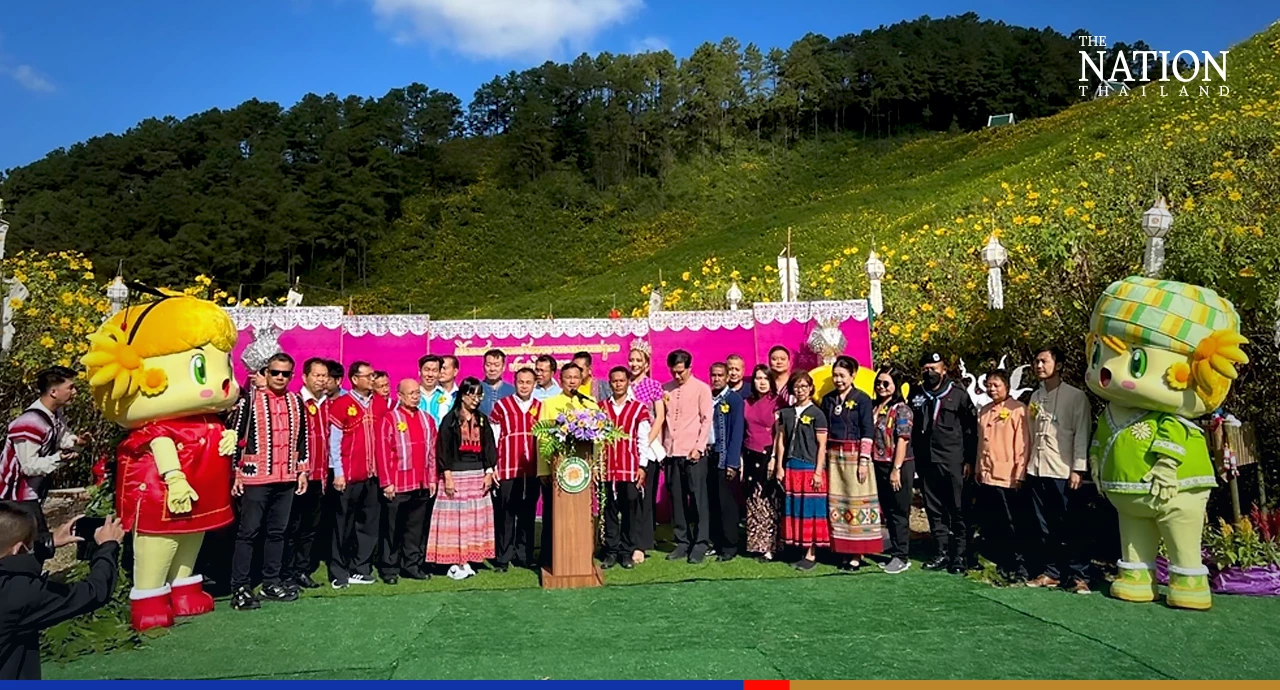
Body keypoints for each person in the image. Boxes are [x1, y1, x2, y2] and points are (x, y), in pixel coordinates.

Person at [0, 504, 126, 680]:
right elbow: (94, 591)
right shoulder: (18, 593)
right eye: (30, 545)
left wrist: (47, 543)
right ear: (18, 549)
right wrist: (108, 547)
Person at [230, 353, 310, 610]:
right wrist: (236, 473)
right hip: (255, 477)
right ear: (266, 372)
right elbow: (234, 438)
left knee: (278, 533)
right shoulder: (250, 402)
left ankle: (270, 582)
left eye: (285, 373)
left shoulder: (296, 401)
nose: (279, 377)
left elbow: (302, 439)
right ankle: (240, 587)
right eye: (275, 372)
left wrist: (302, 471)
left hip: (286, 477)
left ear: (292, 375)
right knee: (248, 533)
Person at [1024, 346, 1094, 594]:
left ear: (1059, 365)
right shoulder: (1035, 397)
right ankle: (1051, 572)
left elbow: (1082, 433)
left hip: (1063, 472)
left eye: (1044, 361)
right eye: (1036, 361)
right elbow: (1032, 433)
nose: (1039, 365)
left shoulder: (1076, 397)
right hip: (1037, 470)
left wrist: (1078, 469)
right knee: (1044, 526)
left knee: (1071, 526)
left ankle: (1079, 575)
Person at [910, 352, 978, 574]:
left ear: (944, 369)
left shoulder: (958, 394)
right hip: (927, 460)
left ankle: (960, 554)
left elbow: (970, 430)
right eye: (926, 368)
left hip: (953, 460)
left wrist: (970, 459)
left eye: (934, 367)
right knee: (933, 509)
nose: (929, 372)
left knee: (958, 508)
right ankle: (941, 551)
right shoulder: (917, 394)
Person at [427, 378, 497, 580]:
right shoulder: (450, 420)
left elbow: (490, 447)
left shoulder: (482, 420)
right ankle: (453, 563)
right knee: (454, 521)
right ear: (463, 395)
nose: (476, 399)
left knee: (472, 521)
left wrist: (489, 472)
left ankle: (467, 559)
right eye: (472, 394)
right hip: (456, 475)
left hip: (477, 475)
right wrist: (447, 475)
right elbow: (443, 449)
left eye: (479, 395)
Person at [1, 367, 85, 535]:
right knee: (38, 546)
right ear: (53, 392)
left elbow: (62, 438)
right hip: (14, 495)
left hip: (31, 493)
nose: (75, 392)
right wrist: (60, 458)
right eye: (70, 387)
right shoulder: (30, 423)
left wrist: (77, 442)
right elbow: (29, 466)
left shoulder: (55, 415)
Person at [820, 356, 880, 569]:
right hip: (834, 458)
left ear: (853, 375)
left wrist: (864, 460)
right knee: (838, 503)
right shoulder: (828, 400)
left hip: (856, 458)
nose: (838, 380)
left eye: (842, 376)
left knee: (856, 503)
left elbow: (868, 430)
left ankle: (858, 554)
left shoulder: (862, 399)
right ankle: (842, 551)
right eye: (835, 376)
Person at [536, 363, 598, 567]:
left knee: (582, 516)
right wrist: (543, 469)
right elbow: (542, 438)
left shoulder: (589, 404)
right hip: (557, 472)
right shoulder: (550, 403)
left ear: (581, 380)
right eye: (567, 377)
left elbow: (598, 438)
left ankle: (581, 558)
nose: (571, 381)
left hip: (583, 471)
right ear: (560, 380)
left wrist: (596, 465)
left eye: (575, 377)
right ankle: (549, 558)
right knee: (552, 516)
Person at [376, 379, 437, 584]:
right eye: (410, 393)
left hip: (420, 483)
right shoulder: (390, 419)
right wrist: (386, 482)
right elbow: (383, 452)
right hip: (397, 484)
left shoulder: (427, 420)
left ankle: (411, 565)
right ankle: (389, 568)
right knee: (392, 529)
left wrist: (432, 479)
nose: (415, 396)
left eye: (417, 392)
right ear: (399, 396)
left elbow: (433, 453)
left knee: (415, 529)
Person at [328, 361, 382, 589]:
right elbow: (335, 442)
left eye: (373, 375)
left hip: (373, 475)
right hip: (348, 475)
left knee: (368, 525)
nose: (372, 379)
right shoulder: (342, 404)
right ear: (354, 379)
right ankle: (339, 571)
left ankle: (361, 568)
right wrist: (338, 472)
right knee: (343, 525)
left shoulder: (380, 404)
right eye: (368, 376)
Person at [975, 369, 1030, 581]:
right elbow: (982, 442)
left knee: (1013, 523)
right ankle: (1000, 561)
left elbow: (1023, 443)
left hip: (1009, 475)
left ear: (1007, 386)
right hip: (988, 473)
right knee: (995, 521)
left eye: (996, 385)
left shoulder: (1018, 410)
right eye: (989, 385)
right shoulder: (985, 410)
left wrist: (1020, 472)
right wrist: (980, 468)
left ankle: (1019, 565)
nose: (992, 389)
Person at [662, 350, 714, 564]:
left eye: (681, 372)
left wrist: (699, 447)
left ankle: (701, 543)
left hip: (693, 452)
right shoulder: (665, 389)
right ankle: (682, 542)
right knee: (677, 499)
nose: (677, 376)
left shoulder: (702, 389)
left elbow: (706, 419)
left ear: (689, 368)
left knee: (698, 499)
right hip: (672, 452)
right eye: (674, 372)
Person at [284, 357, 331, 590]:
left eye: (325, 376)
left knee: (310, 529)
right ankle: (287, 573)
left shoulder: (326, 403)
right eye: (317, 375)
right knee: (292, 527)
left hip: (319, 476)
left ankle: (302, 570)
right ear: (304, 377)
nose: (322, 380)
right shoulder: (296, 401)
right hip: (298, 477)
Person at [600, 367, 654, 569]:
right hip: (607, 468)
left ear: (628, 382)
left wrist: (642, 466)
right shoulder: (601, 408)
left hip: (629, 467)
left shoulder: (638, 408)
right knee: (610, 511)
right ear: (610, 383)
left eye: (622, 381)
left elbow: (642, 439)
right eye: (614, 381)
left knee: (630, 511)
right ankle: (611, 551)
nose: (618, 384)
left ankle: (626, 551)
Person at [775, 371, 829, 571]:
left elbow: (821, 445)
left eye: (804, 386)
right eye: (797, 386)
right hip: (791, 465)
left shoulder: (817, 414)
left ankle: (811, 553)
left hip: (810, 467)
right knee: (795, 509)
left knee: (811, 511)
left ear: (811, 388)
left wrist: (818, 472)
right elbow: (780, 440)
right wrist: (780, 466)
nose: (801, 390)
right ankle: (798, 548)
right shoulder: (786, 413)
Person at [489, 368, 541, 572]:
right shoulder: (502, 406)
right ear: (515, 382)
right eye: (521, 382)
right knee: (505, 514)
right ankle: (503, 557)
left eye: (528, 382)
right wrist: (493, 466)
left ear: (534, 384)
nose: (525, 386)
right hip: (507, 468)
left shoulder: (540, 407)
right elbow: (493, 438)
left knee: (527, 513)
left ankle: (524, 555)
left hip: (532, 469)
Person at [871, 365, 914, 575]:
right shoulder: (875, 407)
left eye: (886, 383)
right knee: (887, 511)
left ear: (896, 385)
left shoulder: (902, 409)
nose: (881, 387)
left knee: (899, 510)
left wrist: (896, 469)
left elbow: (903, 440)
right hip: (878, 463)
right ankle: (894, 552)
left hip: (898, 464)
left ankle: (902, 556)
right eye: (878, 383)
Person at [626, 342, 665, 563]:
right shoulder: (624, 385)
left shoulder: (653, 386)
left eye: (639, 360)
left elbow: (659, 416)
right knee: (630, 496)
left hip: (648, 447)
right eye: (632, 360)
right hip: (626, 449)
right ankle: (629, 538)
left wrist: (647, 441)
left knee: (645, 496)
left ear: (647, 364)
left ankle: (643, 543)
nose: (634, 364)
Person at [743, 365, 783, 561]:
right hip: (750, 453)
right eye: (757, 378)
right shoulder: (747, 402)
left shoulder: (777, 402)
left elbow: (779, 433)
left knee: (768, 500)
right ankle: (756, 544)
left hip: (768, 454)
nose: (761, 382)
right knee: (753, 500)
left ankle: (771, 546)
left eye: (765, 378)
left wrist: (775, 457)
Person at [706, 362, 744, 562]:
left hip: (725, 457)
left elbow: (737, 432)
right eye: (713, 375)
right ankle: (717, 542)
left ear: (728, 377)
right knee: (712, 502)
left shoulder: (734, 400)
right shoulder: (708, 398)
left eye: (721, 375)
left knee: (727, 504)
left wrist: (732, 463)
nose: (717, 378)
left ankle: (730, 546)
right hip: (709, 455)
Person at [424, 356, 460, 427]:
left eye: (444, 368)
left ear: (455, 371)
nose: (441, 371)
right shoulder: (428, 394)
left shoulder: (460, 395)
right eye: (439, 369)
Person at [479, 349, 516, 416]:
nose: (492, 369)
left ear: (503, 367)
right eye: (488, 365)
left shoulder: (512, 391)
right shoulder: (477, 388)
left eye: (496, 365)